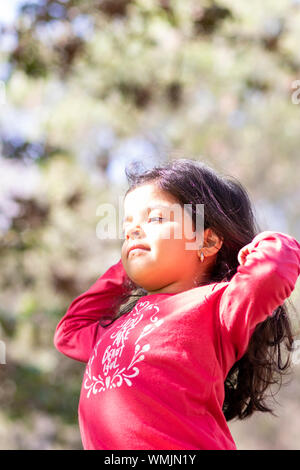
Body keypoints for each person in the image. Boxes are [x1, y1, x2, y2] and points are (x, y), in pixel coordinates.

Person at [54, 158, 300, 450]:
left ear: (207, 243)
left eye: (155, 219)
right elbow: (69, 332)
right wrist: (126, 268)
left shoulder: (220, 305)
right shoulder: (117, 329)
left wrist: (256, 242)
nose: (132, 231)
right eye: (127, 227)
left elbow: (273, 269)